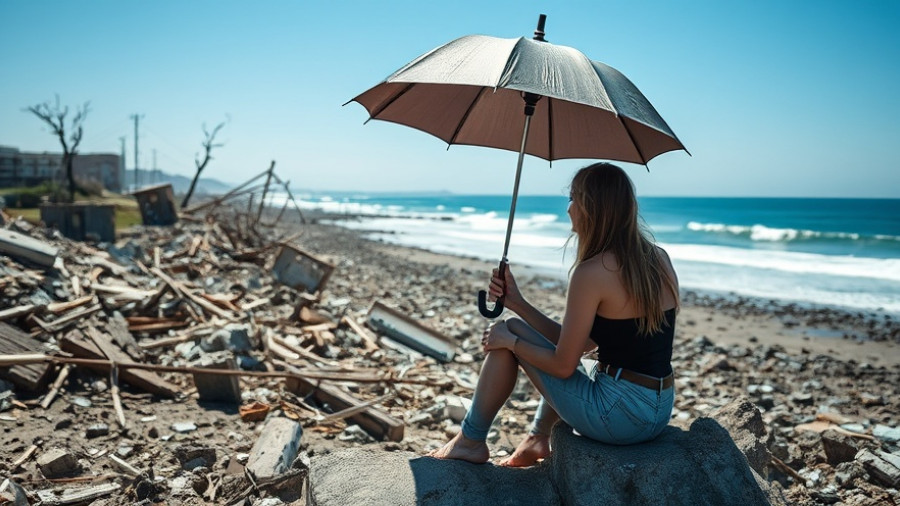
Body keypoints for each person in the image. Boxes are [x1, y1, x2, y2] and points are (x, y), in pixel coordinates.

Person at [427, 162, 679, 465]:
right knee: (520, 328)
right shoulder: (657, 258)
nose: (569, 208)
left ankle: (471, 440)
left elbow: (562, 365)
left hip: (619, 417)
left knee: (513, 331)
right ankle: (536, 439)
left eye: (573, 198)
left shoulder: (592, 272)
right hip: (659, 407)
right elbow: (581, 344)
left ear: (591, 208)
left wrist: (511, 342)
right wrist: (516, 302)